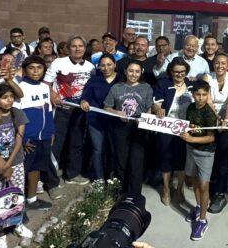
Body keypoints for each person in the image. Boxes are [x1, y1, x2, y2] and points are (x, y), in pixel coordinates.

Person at [0, 83, 32, 245]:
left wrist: (8, 164)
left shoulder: (18, 114)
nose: (9, 100)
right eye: (4, 98)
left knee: (17, 195)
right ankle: (0, 232)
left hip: (15, 162)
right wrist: (2, 165)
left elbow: (18, 140)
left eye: (11, 97)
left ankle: (17, 224)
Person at [44, 35, 93, 186]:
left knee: (76, 143)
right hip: (61, 110)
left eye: (80, 46)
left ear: (85, 48)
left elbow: (92, 89)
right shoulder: (58, 62)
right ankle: (51, 181)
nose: (77, 49)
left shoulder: (90, 67)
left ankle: (72, 174)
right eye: (74, 46)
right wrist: (52, 94)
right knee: (56, 144)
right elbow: (46, 83)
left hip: (80, 111)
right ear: (68, 48)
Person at [104, 60, 153, 194]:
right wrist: (117, 112)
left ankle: (134, 193)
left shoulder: (146, 87)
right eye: (131, 71)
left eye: (137, 71)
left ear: (141, 73)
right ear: (125, 72)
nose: (133, 74)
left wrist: (144, 119)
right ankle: (120, 191)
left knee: (136, 161)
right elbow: (107, 107)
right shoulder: (116, 88)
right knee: (121, 160)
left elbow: (149, 108)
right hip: (121, 127)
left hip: (139, 128)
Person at [15, 56, 57, 206]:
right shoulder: (20, 88)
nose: (35, 71)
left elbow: (49, 111)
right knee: (22, 171)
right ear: (24, 70)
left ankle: (31, 199)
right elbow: (16, 116)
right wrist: (23, 138)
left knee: (36, 168)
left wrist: (51, 131)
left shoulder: (45, 87)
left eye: (39, 68)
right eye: (31, 68)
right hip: (29, 139)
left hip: (44, 137)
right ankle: (16, 204)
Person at [180, 80, 218, 241]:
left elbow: (211, 137)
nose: (201, 98)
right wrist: (184, 133)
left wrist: (191, 139)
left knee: (203, 185)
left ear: (208, 95)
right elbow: (189, 127)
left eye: (204, 95)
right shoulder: (190, 108)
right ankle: (198, 206)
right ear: (193, 94)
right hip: (191, 150)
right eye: (198, 94)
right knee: (193, 180)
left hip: (206, 153)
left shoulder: (209, 113)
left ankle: (203, 220)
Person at [152, 57, 194, 205]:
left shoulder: (191, 85)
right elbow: (156, 104)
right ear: (170, 71)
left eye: (182, 72)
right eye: (176, 72)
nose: (179, 75)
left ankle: (180, 189)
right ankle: (166, 189)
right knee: (166, 159)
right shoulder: (163, 84)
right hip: (168, 126)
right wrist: (158, 109)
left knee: (183, 160)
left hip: (185, 127)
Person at [202, 53, 228, 214]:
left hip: (226, 121)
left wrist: (225, 120)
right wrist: (216, 118)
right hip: (209, 119)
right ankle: (207, 188)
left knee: (223, 158)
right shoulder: (207, 77)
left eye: (223, 63)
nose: (220, 66)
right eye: (217, 63)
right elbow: (207, 100)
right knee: (207, 155)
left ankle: (220, 193)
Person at [80, 53, 122, 181]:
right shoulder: (94, 80)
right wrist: (84, 101)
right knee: (98, 150)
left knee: (114, 151)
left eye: (109, 64)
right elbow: (85, 96)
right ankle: (99, 180)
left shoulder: (122, 79)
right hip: (96, 120)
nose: (106, 68)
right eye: (102, 65)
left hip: (116, 122)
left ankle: (112, 179)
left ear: (115, 64)